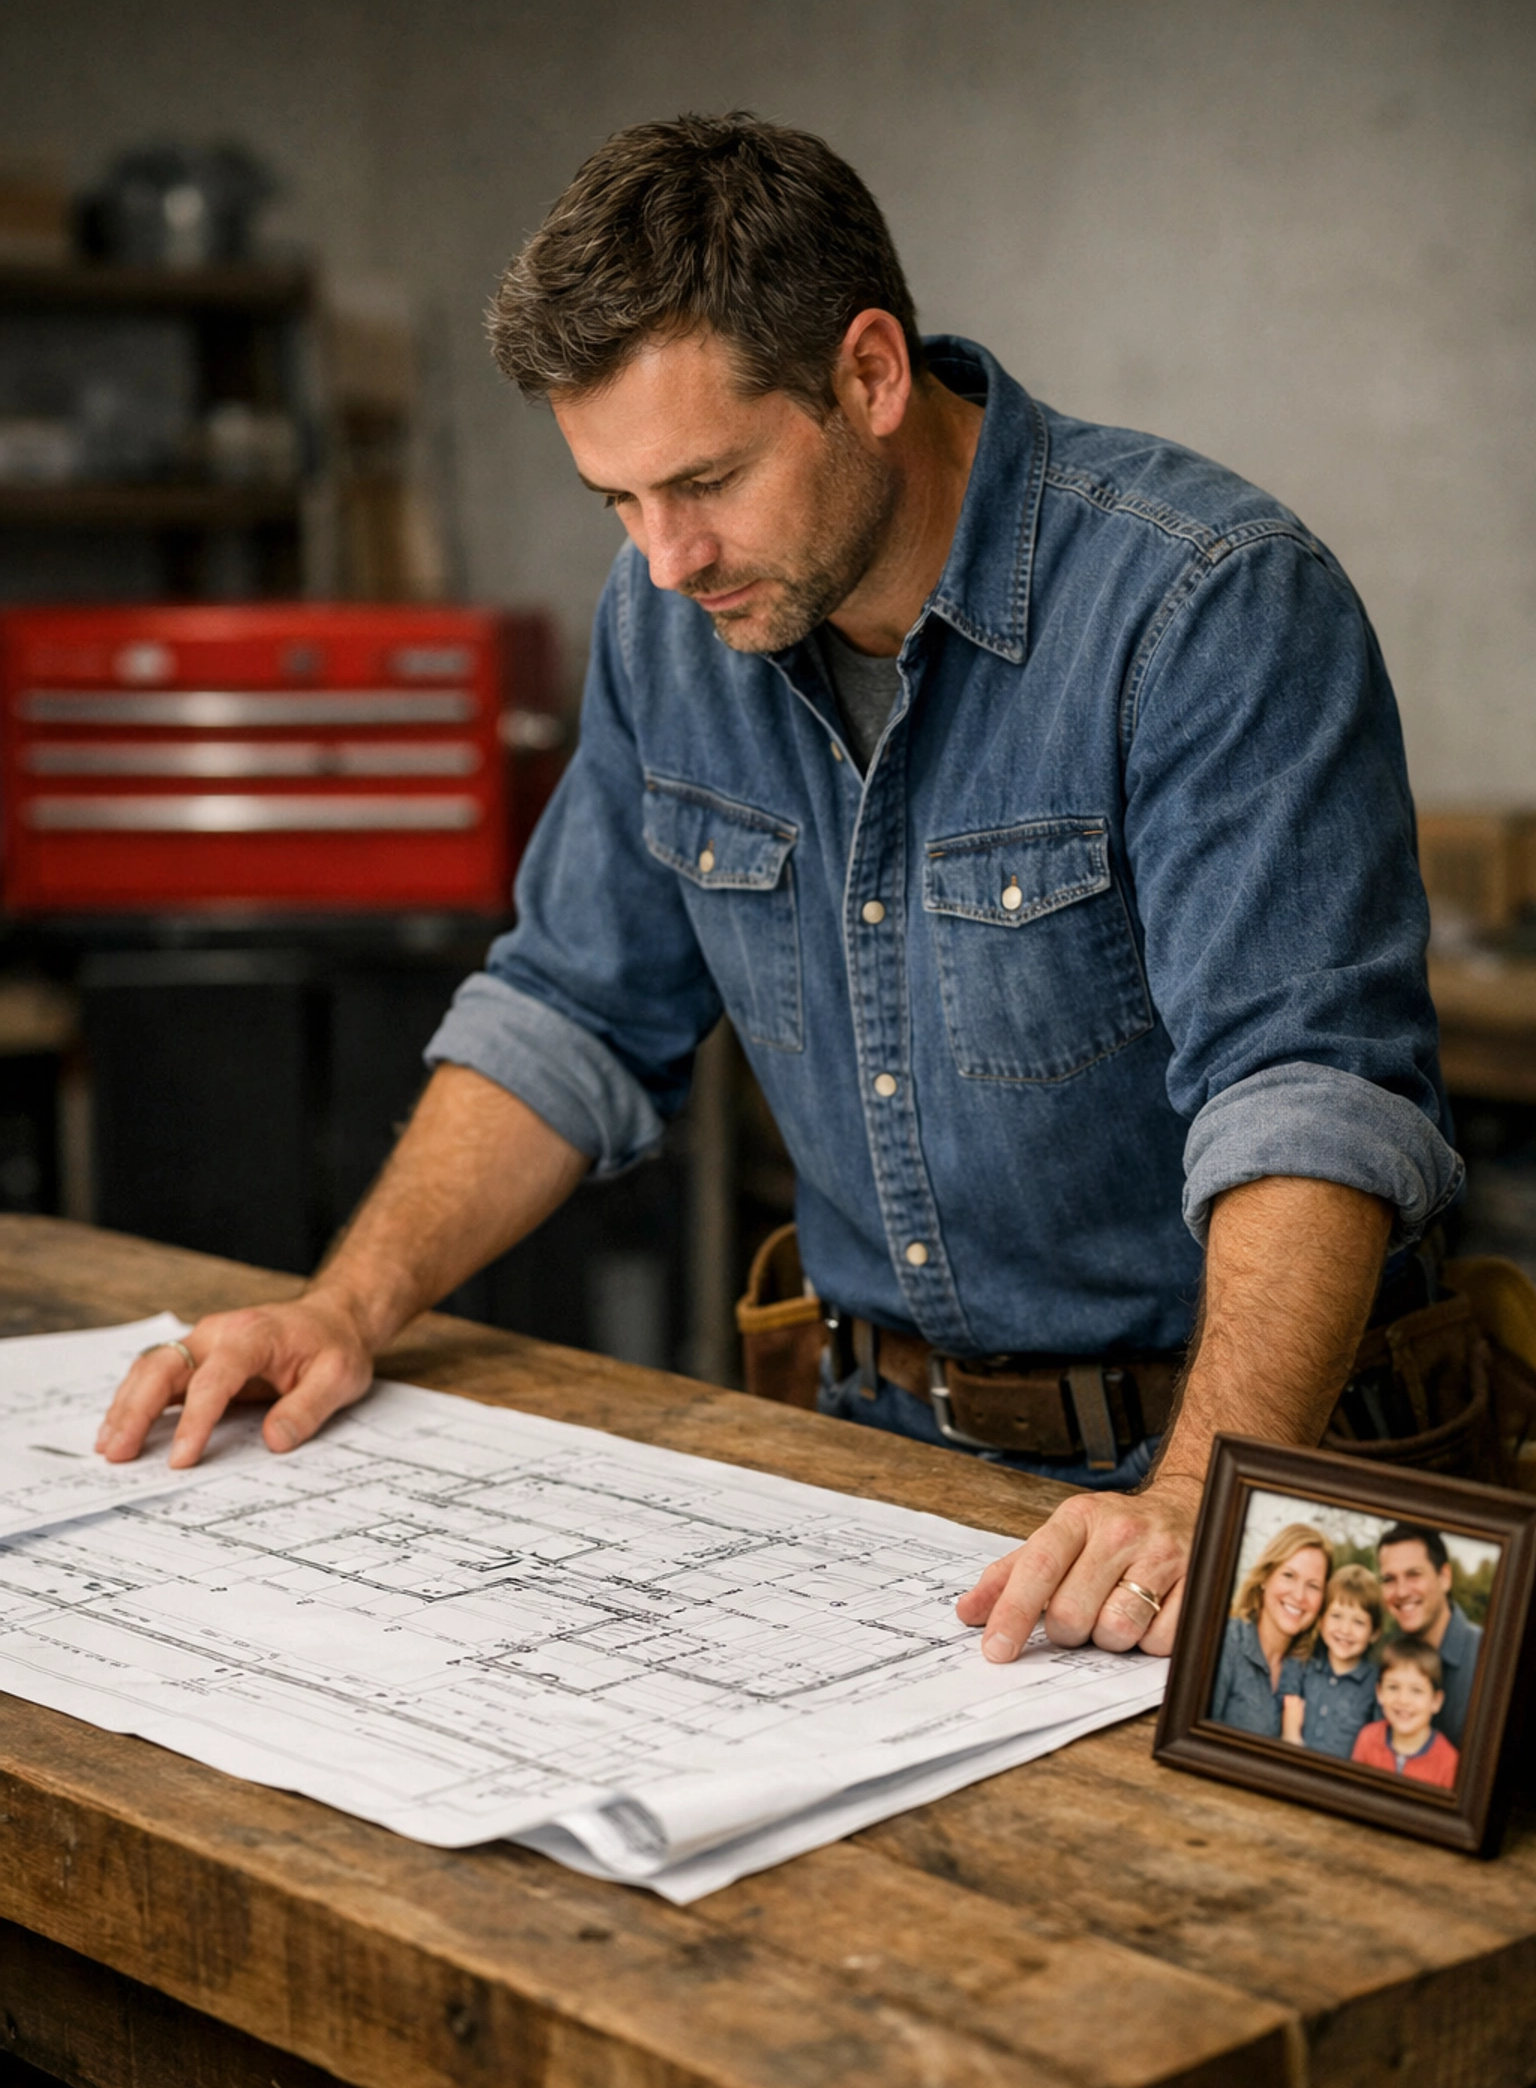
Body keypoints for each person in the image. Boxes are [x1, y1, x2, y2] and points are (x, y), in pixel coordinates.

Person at [96, 113, 1460, 1666]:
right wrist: (344, 1308)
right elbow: (571, 1012)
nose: (666, 560)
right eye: (618, 501)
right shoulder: (670, 620)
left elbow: (1309, 1101)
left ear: (870, 376)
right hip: (876, 1460)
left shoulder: (1205, 607)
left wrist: (1201, 1495)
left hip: (1233, 1471)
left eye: (704, 482)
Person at [1209, 1524, 1331, 1737]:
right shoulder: (1225, 1642)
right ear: (1265, 1577)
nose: (1299, 1595)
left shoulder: (1313, 1669)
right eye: (1289, 1575)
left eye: (1313, 1586)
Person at [1375, 1524, 1482, 1749]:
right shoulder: (1381, 1654)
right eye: (1389, 1579)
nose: (1402, 1591)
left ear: (1444, 1577)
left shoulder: (1490, 1656)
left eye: (1413, 1575)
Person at [1281, 1561, 1382, 1759]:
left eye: (1359, 1622)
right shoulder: (1302, 1665)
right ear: (1321, 1621)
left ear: (1374, 1633)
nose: (1345, 1630)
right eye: (1336, 1616)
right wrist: (1291, 1735)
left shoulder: (1375, 1684)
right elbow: (1283, 1712)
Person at [1351, 1635, 1459, 1789]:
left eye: (1416, 1690)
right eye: (1393, 1687)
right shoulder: (1367, 1739)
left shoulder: (1448, 1762)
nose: (1403, 1700)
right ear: (1380, 1693)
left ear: (1436, 1701)